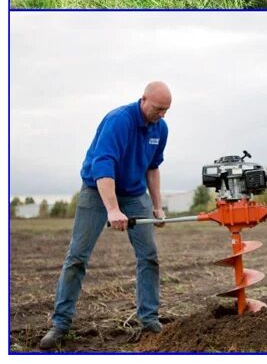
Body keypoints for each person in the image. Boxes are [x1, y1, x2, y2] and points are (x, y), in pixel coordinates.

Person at [39, 82, 172, 350]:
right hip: (97, 189)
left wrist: (157, 206)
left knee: (149, 257)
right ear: (143, 99)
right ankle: (60, 324)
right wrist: (112, 208)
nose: (162, 115)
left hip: (135, 195)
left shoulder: (161, 128)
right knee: (77, 257)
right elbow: (104, 165)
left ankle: (149, 320)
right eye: (158, 109)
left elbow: (153, 169)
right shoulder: (118, 121)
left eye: (166, 110)